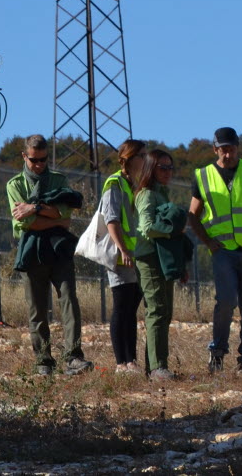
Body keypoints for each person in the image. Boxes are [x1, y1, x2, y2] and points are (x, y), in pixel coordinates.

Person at [187, 127, 242, 373]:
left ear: (237, 148)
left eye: (231, 149)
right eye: (223, 150)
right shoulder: (203, 175)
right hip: (223, 252)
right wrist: (208, 242)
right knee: (226, 302)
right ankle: (217, 352)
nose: (227, 154)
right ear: (214, 149)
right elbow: (192, 214)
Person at [7, 134, 91, 376]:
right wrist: (51, 216)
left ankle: (74, 356)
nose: (39, 165)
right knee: (37, 308)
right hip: (32, 250)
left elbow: (65, 216)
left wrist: (34, 207)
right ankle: (43, 360)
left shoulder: (59, 180)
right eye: (34, 160)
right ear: (24, 156)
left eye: (44, 160)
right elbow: (25, 224)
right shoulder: (15, 185)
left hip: (59, 249)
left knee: (69, 300)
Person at [134, 148, 189, 379]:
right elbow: (147, 227)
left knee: (165, 311)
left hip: (162, 259)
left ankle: (157, 366)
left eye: (170, 167)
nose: (168, 172)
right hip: (148, 258)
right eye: (162, 167)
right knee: (156, 310)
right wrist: (172, 230)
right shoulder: (146, 195)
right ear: (150, 169)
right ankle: (157, 368)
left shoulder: (162, 194)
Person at [100, 139, 147, 374]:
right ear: (129, 159)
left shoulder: (132, 184)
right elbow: (112, 220)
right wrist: (123, 249)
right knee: (121, 307)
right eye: (141, 156)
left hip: (134, 255)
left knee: (131, 309)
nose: (145, 160)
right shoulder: (114, 183)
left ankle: (131, 361)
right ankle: (121, 363)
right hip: (121, 257)